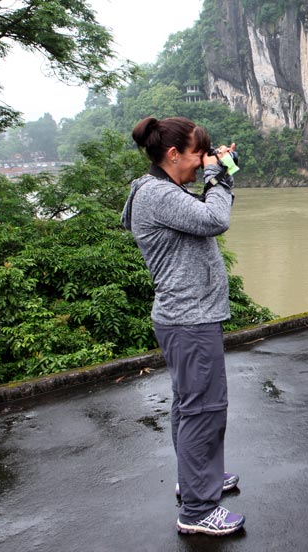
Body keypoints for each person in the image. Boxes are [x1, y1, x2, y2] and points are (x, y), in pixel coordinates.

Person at [121, 116, 245, 536]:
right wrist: (218, 177)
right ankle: (197, 511)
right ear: (173, 154)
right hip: (189, 319)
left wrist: (217, 172)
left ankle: (198, 479)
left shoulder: (164, 191)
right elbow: (215, 220)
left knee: (190, 406)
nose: (201, 161)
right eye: (197, 153)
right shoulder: (157, 194)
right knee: (203, 411)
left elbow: (205, 211)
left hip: (186, 318)